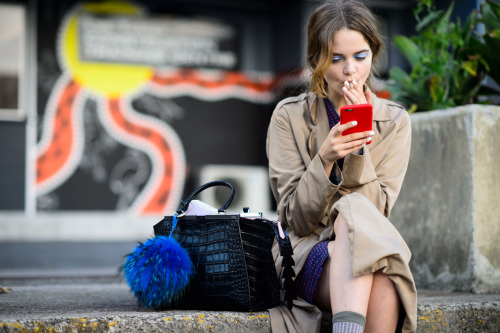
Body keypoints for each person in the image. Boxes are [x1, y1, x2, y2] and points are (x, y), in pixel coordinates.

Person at [266, 1, 417, 332]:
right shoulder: (288, 116)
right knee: (382, 271)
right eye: (337, 58)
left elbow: (376, 213)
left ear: (373, 55)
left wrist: (361, 149)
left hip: (366, 246)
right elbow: (295, 218)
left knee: (357, 218)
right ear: (316, 61)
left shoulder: (393, 121)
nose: (351, 70)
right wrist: (325, 160)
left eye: (360, 57)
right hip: (306, 253)